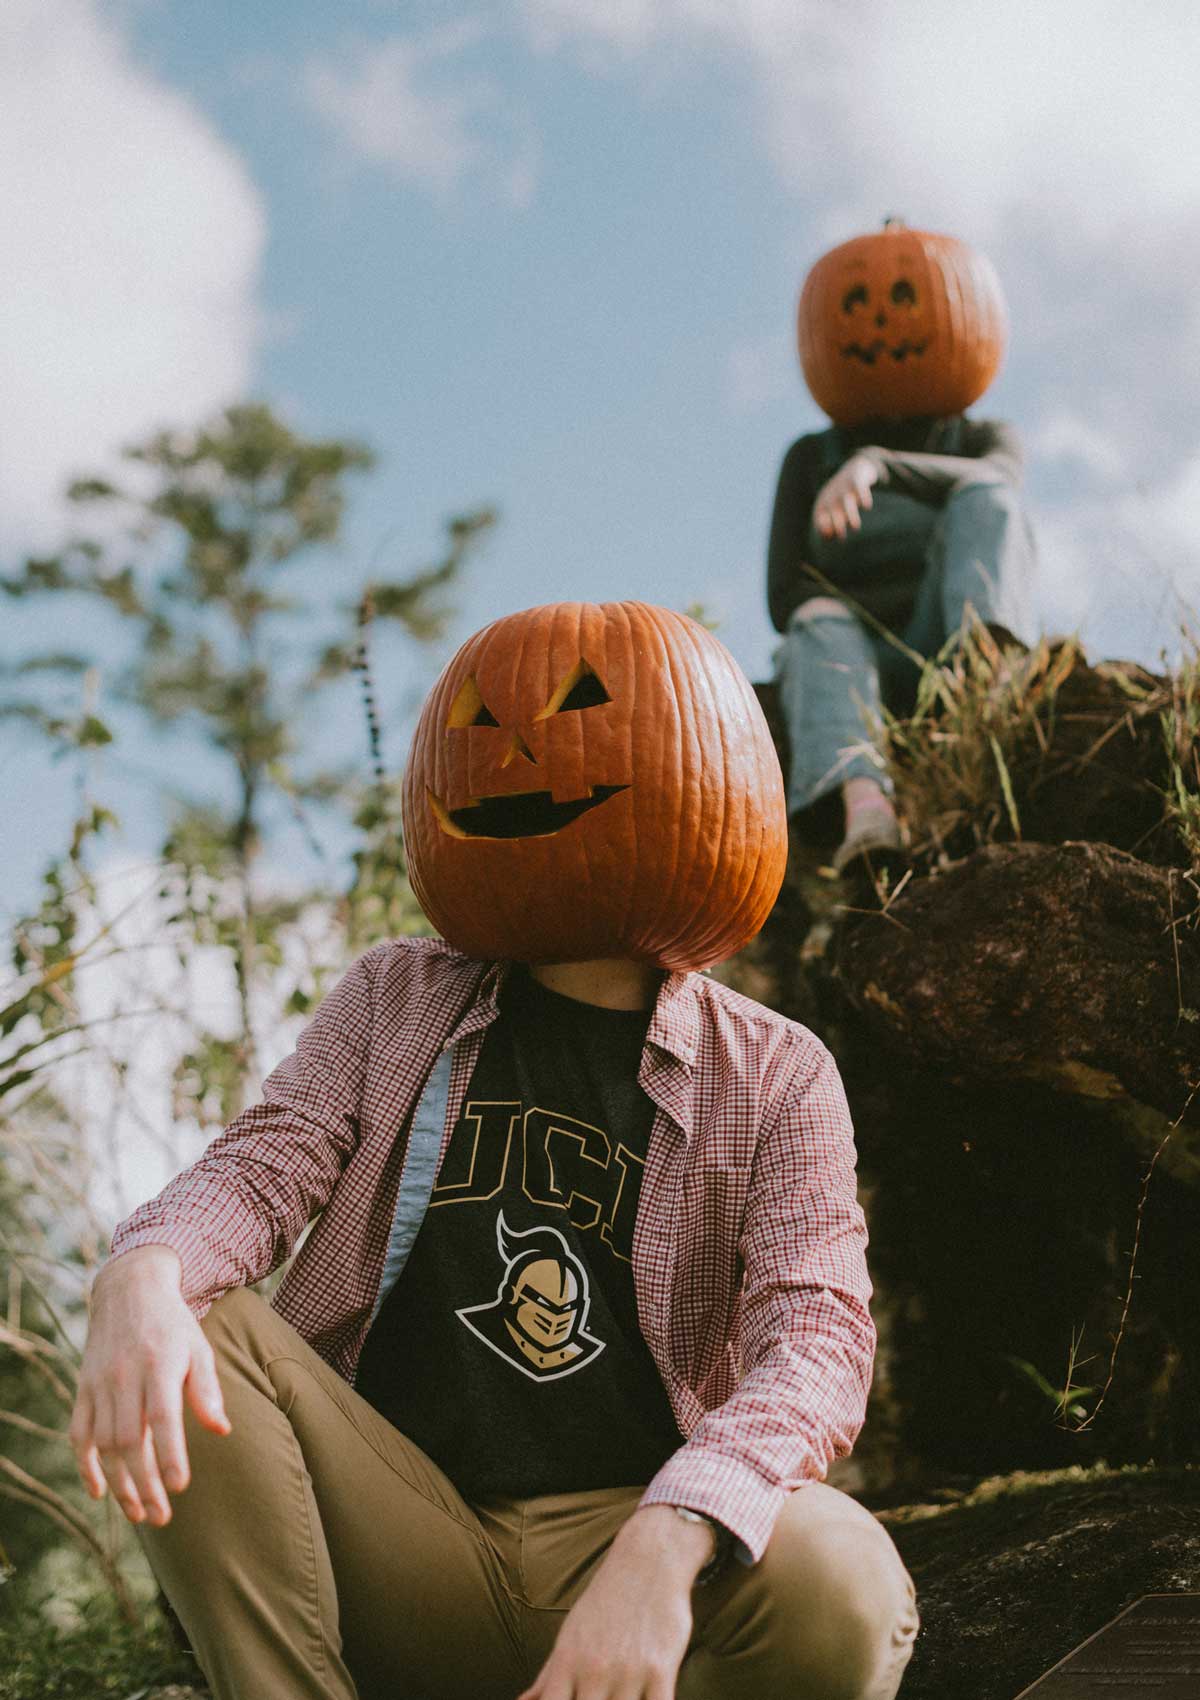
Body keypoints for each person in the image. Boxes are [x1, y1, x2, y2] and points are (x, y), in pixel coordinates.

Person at [71, 600, 920, 1700]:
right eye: (479, 718)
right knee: (190, 1319)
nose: (518, 751)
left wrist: (669, 1536)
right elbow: (260, 1167)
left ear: (706, 762)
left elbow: (816, 1334)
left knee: (845, 1579)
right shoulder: (394, 996)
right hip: (405, 1527)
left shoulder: (776, 1070)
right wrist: (139, 1270)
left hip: (626, 1544)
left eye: (579, 708)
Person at [770, 224, 1039, 876]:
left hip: (945, 650)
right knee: (814, 620)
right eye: (856, 304)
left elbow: (998, 488)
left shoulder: (984, 438)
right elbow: (785, 596)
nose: (881, 320)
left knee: (988, 501)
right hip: (853, 668)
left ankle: (988, 696)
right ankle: (865, 809)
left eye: (903, 296)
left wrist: (878, 466)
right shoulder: (808, 458)